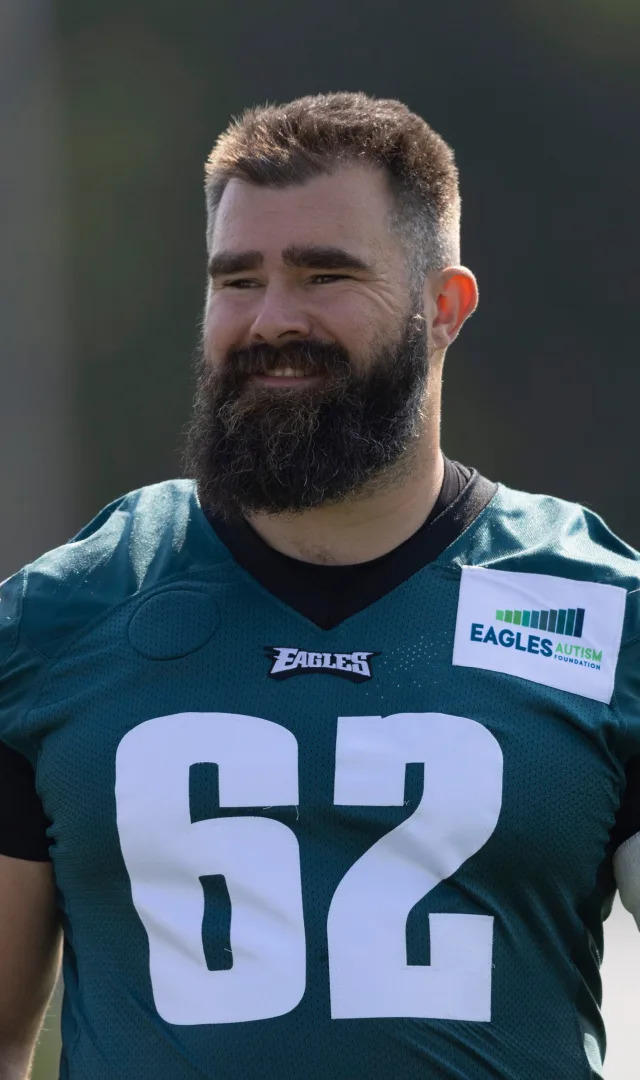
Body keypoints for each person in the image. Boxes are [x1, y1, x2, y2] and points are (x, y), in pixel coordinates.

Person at [1, 91, 639, 1080]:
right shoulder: (59, 618)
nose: (271, 319)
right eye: (236, 279)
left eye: (325, 274)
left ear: (443, 306)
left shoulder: (593, 612)